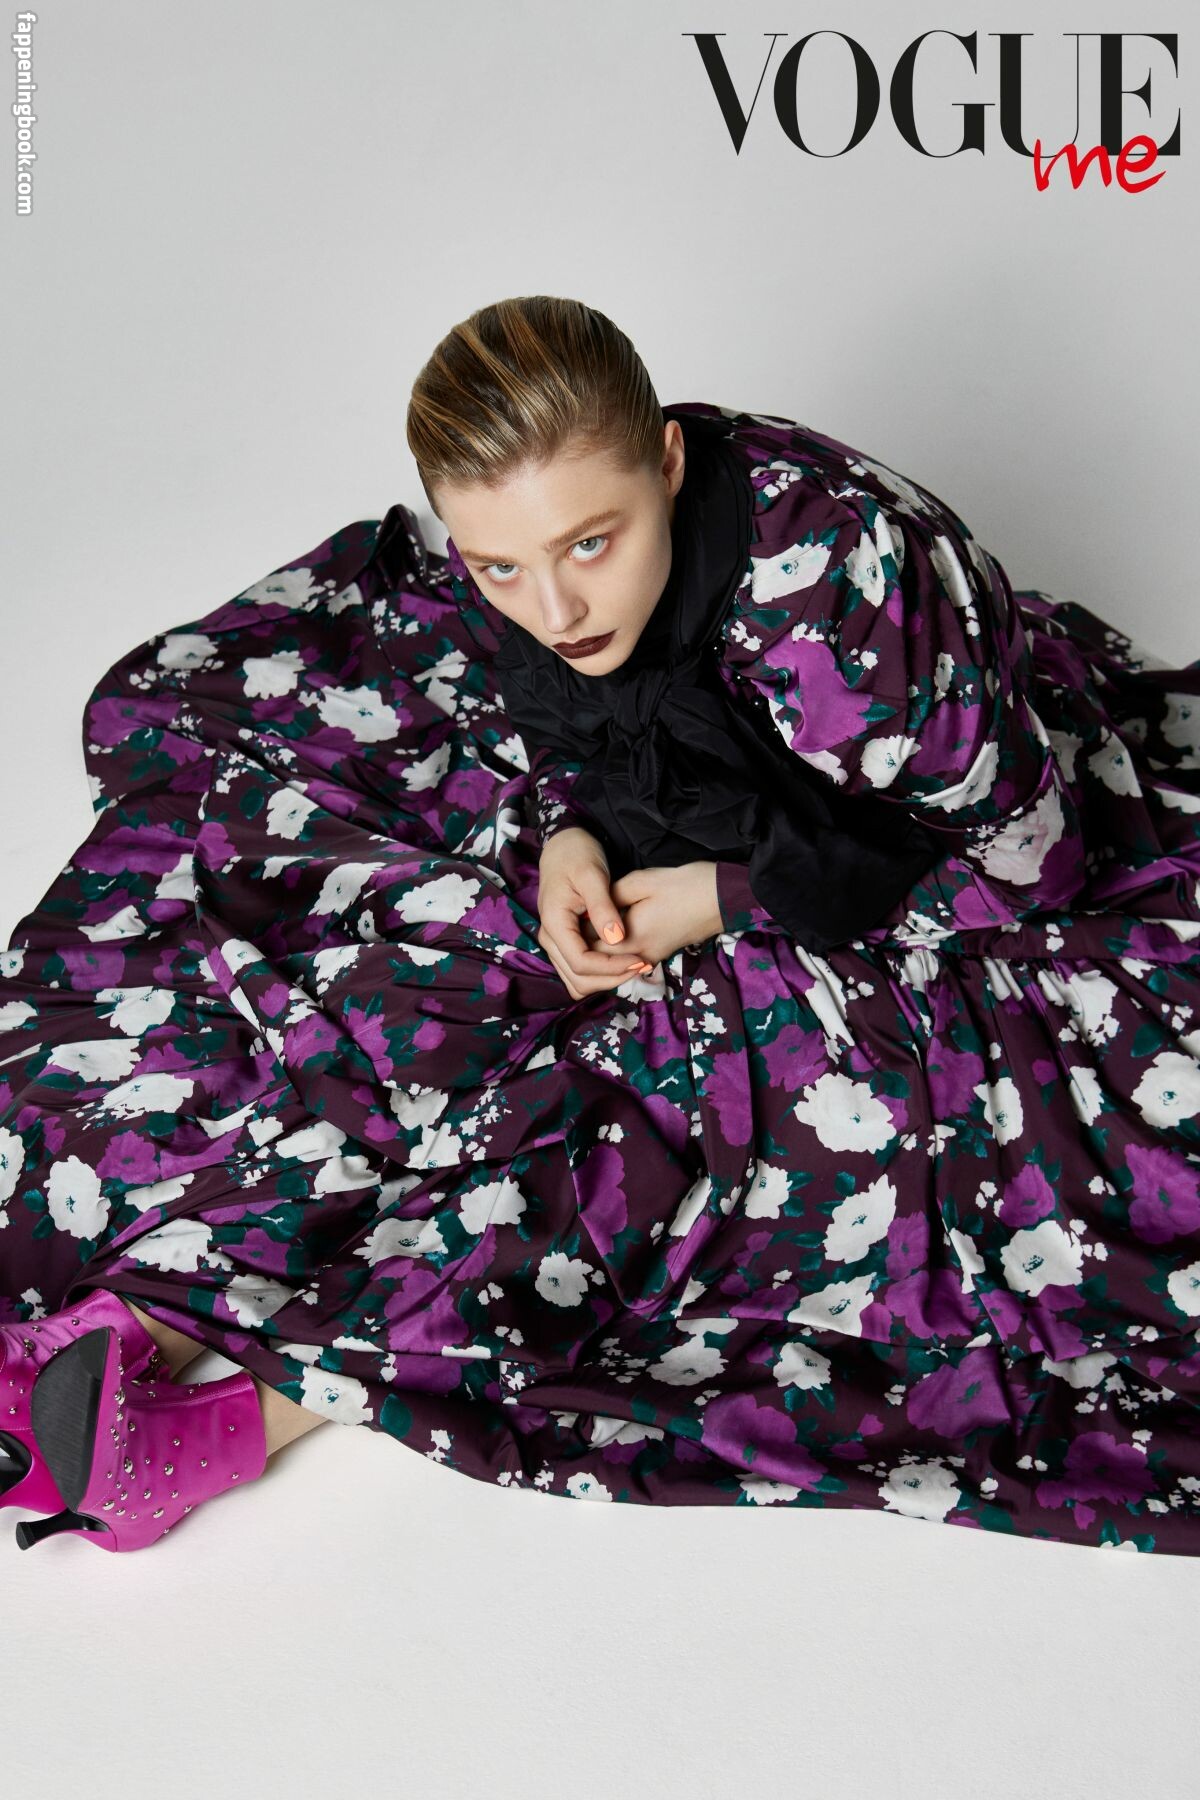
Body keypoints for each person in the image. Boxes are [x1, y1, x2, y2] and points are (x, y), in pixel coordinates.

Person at [3, 295, 1200, 1558]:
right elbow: (565, 714)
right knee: (417, 991)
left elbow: (1032, 865)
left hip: (953, 895)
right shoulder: (538, 584)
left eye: (591, 544)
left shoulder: (843, 612)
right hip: (709, 821)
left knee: (666, 1111)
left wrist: (722, 900)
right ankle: (122, 1329)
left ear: (669, 461)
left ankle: (227, 1420)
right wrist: (573, 831)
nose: (557, 608)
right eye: (499, 566)